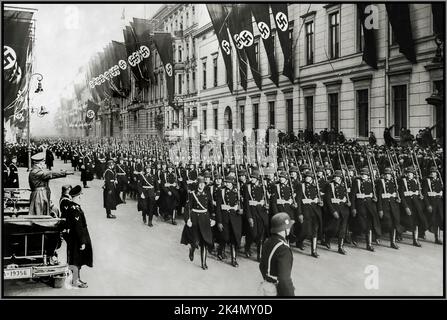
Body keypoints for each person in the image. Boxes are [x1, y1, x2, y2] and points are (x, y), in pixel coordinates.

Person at [180, 176, 213, 270]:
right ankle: (192, 250)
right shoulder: (192, 194)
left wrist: (213, 218)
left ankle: (203, 262)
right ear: (197, 184)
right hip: (195, 219)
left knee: (205, 242)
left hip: (205, 219)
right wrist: (187, 220)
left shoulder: (207, 194)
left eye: (203, 183)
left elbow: (211, 207)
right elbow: (187, 208)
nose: (202, 185)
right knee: (195, 241)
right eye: (200, 183)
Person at [259, 212, 295, 296]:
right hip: (276, 290)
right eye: (288, 227)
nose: (290, 229)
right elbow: (284, 280)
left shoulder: (267, 242)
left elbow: (261, 266)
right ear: (284, 229)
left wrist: (268, 279)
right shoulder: (283, 249)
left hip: (265, 287)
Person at [64, 185, 93, 289]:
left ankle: (76, 279)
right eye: (80, 195)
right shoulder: (75, 209)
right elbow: (78, 227)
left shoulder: (73, 207)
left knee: (76, 259)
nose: (81, 197)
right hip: (76, 239)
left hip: (74, 238)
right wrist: (82, 242)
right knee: (76, 260)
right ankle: (75, 281)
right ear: (77, 196)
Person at [215, 176, 242, 267]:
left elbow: (240, 204)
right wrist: (219, 221)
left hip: (235, 218)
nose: (226, 183)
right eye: (226, 182)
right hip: (224, 217)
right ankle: (220, 250)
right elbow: (218, 208)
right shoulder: (221, 191)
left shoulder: (237, 191)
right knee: (225, 237)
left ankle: (233, 259)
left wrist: (240, 209)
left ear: (232, 183)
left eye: (228, 182)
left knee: (233, 238)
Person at [422, 166, 443, 244]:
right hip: (431, 203)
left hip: (439, 203)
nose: (432, 173)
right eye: (431, 172)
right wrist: (428, 205)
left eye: (434, 172)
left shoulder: (439, 181)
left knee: (438, 220)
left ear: (436, 174)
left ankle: (437, 238)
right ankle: (422, 232)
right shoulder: (427, 181)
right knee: (429, 220)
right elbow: (424, 194)